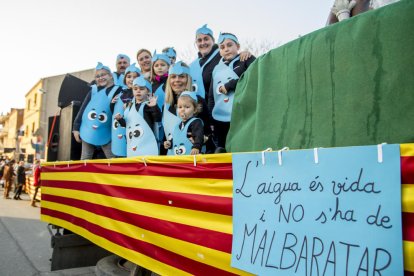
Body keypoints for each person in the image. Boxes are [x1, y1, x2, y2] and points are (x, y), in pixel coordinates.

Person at [208, 32, 256, 150]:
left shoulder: (245, 59)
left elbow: (254, 79)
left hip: (243, 115)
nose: (226, 49)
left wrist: (230, 85)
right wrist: (211, 120)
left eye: (230, 45)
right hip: (221, 120)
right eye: (222, 47)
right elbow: (211, 97)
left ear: (238, 46)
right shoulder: (216, 70)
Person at [72, 62, 123, 160]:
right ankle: (84, 175)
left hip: (107, 129)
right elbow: (83, 110)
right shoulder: (93, 91)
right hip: (89, 128)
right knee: (86, 157)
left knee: (112, 158)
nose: (100, 78)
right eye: (97, 76)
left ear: (111, 75)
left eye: (103, 75)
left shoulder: (119, 90)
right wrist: (76, 128)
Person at [163, 61, 212, 154]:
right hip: (173, 156)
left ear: (188, 79)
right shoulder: (166, 105)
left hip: (194, 155)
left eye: (182, 76)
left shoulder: (198, 100)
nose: (177, 80)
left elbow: (208, 131)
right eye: (173, 77)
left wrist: (203, 139)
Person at [115, 76, 161, 157]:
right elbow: (127, 125)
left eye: (142, 89)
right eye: (135, 89)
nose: (138, 91)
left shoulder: (148, 105)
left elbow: (157, 118)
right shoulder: (129, 107)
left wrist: (154, 106)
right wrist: (120, 119)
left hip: (147, 143)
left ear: (148, 91)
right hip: (134, 144)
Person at [111, 63, 141, 157]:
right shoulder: (120, 94)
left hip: (134, 132)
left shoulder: (140, 94)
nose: (131, 79)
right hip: (120, 132)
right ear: (125, 79)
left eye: (135, 77)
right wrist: (112, 104)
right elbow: (113, 112)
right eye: (129, 77)